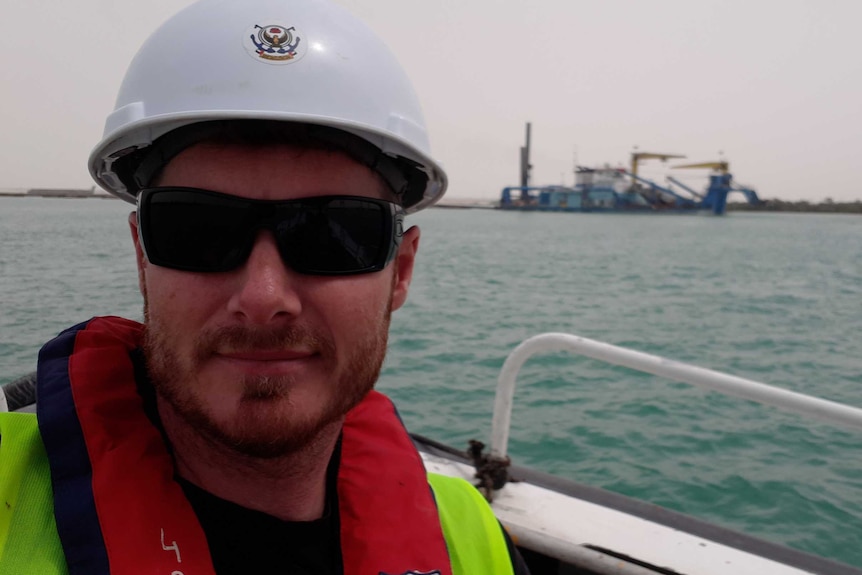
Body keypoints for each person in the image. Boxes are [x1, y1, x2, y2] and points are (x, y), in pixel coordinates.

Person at [0, 0, 531, 573]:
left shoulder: (471, 540)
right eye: (196, 230)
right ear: (141, 255)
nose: (263, 297)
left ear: (400, 271)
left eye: (334, 234)